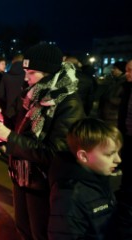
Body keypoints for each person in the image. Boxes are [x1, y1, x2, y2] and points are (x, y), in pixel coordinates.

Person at [0, 43, 85, 240]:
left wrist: (9, 137)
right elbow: (21, 130)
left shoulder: (68, 102)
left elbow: (54, 153)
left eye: (31, 72)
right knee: (23, 229)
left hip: (44, 183)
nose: (26, 78)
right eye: (25, 71)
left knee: (39, 232)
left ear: (49, 73)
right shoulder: (33, 95)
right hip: (23, 175)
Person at [48, 118, 122, 239]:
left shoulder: (99, 179)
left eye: (118, 153)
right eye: (109, 154)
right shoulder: (69, 195)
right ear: (83, 156)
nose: (118, 160)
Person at [116, 59, 132, 239]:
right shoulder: (127, 88)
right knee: (126, 169)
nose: (126, 74)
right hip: (127, 136)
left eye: (129, 71)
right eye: (126, 70)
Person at [98, 61, 126, 126]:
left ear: (121, 70)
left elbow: (124, 101)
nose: (112, 70)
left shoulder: (124, 83)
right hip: (108, 117)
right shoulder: (115, 81)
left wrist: (110, 99)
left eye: (115, 68)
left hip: (114, 118)